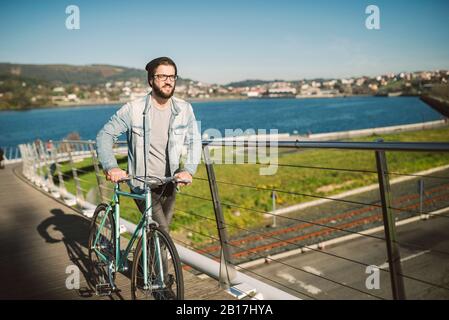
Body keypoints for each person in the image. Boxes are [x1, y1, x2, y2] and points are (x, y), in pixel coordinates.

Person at [96, 57, 202, 234]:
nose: (168, 81)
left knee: (156, 236)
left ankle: (142, 262)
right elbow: (105, 135)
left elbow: (195, 140)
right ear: (151, 80)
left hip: (170, 182)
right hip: (142, 184)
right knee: (162, 232)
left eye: (172, 77)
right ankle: (154, 262)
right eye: (162, 76)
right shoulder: (133, 109)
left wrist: (188, 170)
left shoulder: (185, 109)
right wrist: (111, 167)